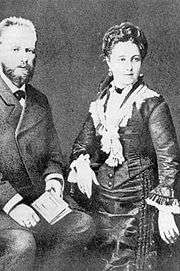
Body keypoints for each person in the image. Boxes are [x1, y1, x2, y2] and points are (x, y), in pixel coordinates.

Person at [0, 17, 95, 271]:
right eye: (16, 49)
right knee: (23, 244)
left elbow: (53, 155)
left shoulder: (39, 101)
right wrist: (13, 204)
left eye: (29, 50)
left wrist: (54, 183)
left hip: (34, 199)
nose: (24, 58)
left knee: (82, 225)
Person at [67, 22, 180, 271]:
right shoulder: (100, 103)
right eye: (121, 59)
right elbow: (82, 143)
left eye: (135, 58)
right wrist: (83, 164)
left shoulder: (152, 103)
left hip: (138, 205)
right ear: (108, 61)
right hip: (103, 203)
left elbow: (168, 159)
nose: (129, 67)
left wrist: (164, 209)